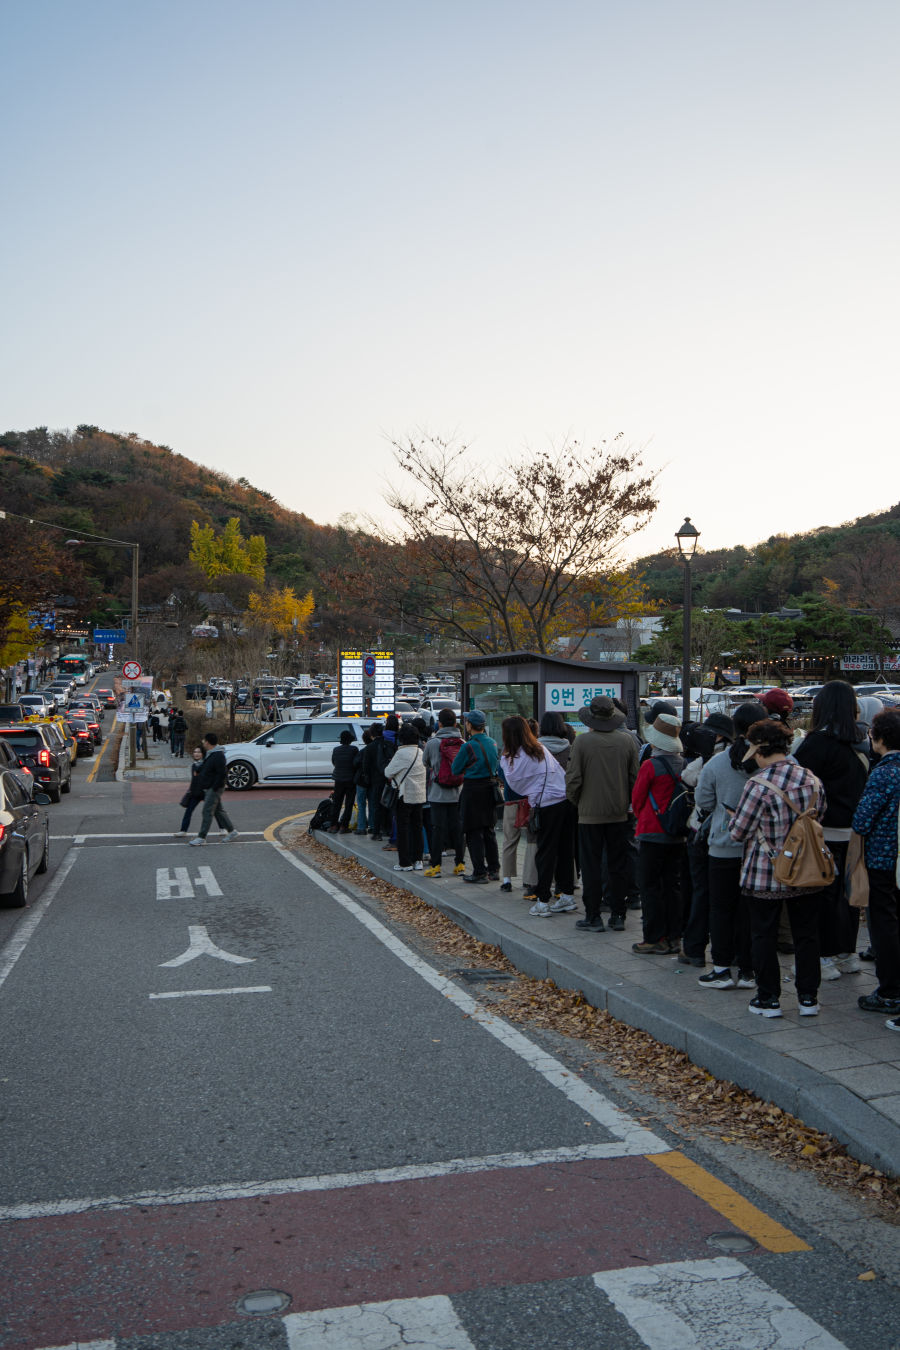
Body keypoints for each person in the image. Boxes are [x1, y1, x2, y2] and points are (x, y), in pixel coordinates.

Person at [729, 719, 826, 1018]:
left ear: (759, 750)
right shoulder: (811, 779)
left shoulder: (757, 785)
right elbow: (818, 816)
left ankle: (768, 998)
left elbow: (738, 832)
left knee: (764, 935)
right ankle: (808, 998)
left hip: (765, 871)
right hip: (806, 868)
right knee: (807, 934)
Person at [795, 681, 868, 982]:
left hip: (822, 831)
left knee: (822, 895)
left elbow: (800, 785)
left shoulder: (815, 744)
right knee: (850, 896)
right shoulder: (862, 741)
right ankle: (846, 953)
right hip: (855, 831)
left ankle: (824, 957)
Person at [694, 702, 767, 990]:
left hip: (723, 846)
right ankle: (749, 971)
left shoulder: (717, 763)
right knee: (752, 913)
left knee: (721, 909)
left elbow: (704, 802)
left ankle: (722, 968)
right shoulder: (771, 763)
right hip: (760, 850)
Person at [565, 696, 638, 933]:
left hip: (589, 813)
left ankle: (593, 915)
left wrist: (577, 801)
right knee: (618, 865)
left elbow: (574, 779)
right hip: (619, 812)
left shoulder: (582, 742)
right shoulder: (627, 741)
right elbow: (633, 778)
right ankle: (618, 914)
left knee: (591, 865)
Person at [852, 709, 900, 1024]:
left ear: (879, 739)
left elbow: (862, 819)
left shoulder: (884, 772)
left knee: (884, 927)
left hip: (883, 861)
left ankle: (889, 993)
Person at [500, 715, 575, 917]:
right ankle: (567, 895)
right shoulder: (540, 749)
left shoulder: (511, 758)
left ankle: (542, 900)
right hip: (566, 802)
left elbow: (516, 785)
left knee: (546, 852)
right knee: (565, 850)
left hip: (546, 806)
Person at [631, 711, 687, 954]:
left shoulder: (650, 766)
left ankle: (654, 937)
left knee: (650, 886)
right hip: (678, 833)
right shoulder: (684, 764)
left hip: (652, 832)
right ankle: (675, 936)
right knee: (673, 886)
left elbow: (637, 799)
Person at [451, 709, 501, 884]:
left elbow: (455, 769)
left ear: (470, 725)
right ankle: (494, 869)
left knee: (473, 832)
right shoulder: (493, 743)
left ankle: (479, 872)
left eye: (466, 722)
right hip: (490, 788)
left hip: (472, 790)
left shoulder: (468, 746)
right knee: (489, 830)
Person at [422, 707, 466, 878]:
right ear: (455, 723)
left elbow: (425, 762)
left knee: (437, 829)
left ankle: (436, 866)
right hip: (458, 792)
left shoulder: (433, 743)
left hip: (437, 792)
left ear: (439, 723)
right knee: (457, 828)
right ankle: (460, 864)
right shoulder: (463, 742)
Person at [386, 723, 426, 871]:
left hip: (404, 795)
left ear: (402, 738)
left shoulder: (401, 754)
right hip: (420, 795)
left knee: (403, 829)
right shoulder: (421, 752)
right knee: (417, 828)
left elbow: (387, 772)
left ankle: (405, 862)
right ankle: (418, 860)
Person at [189, 732, 239, 845]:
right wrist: (199, 769)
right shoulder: (211, 753)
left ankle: (201, 837)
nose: (203, 743)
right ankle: (232, 831)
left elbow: (222, 773)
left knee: (207, 811)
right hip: (211, 786)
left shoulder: (218, 755)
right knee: (218, 811)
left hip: (214, 787)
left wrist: (215, 787)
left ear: (207, 742)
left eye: (204, 741)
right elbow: (207, 767)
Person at [329, 729, 359, 833]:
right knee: (349, 803)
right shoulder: (354, 749)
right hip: (350, 779)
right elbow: (356, 763)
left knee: (337, 802)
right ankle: (344, 826)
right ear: (350, 740)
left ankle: (333, 825)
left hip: (338, 779)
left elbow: (334, 762)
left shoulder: (336, 750)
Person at [176, 746, 206, 836]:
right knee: (188, 811)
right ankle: (183, 830)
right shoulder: (194, 765)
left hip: (205, 792)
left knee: (215, 811)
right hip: (195, 793)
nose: (196, 754)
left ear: (203, 754)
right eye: (195, 752)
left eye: (198, 752)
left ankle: (223, 828)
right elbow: (194, 780)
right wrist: (190, 791)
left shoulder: (206, 765)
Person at [353, 728, 373, 836]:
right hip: (372, 780)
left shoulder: (362, 752)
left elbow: (355, 763)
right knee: (372, 804)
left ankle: (361, 827)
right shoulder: (376, 750)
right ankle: (372, 826)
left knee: (361, 804)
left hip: (361, 780)